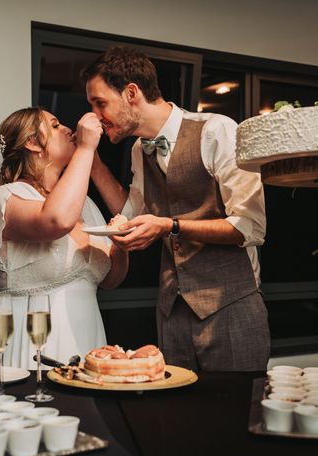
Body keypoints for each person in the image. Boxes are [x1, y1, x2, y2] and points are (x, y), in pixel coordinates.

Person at [81, 46, 270, 371]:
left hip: (230, 306)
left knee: (239, 416)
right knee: (178, 416)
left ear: (130, 93)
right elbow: (133, 212)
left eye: (100, 103)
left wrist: (169, 225)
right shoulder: (140, 149)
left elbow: (249, 227)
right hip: (172, 310)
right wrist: (92, 160)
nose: (96, 115)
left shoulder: (217, 131)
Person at [0, 107, 129, 368]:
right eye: (55, 125)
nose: (68, 129)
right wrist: (86, 149)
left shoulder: (85, 204)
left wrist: (122, 245)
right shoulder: (7, 197)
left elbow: (111, 280)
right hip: (30, 342)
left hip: (87, 342)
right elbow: (56, 221)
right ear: (32, 143)